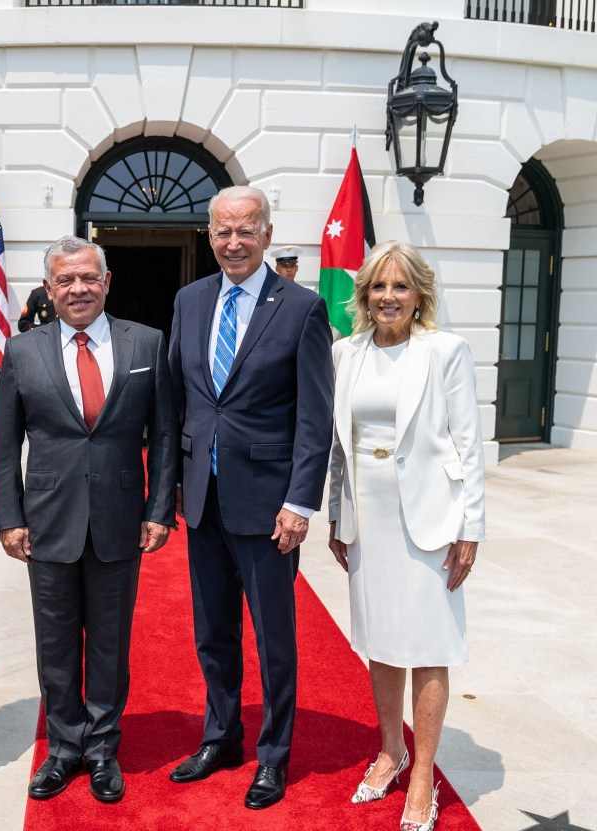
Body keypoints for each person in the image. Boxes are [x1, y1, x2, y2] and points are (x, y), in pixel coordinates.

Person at [0, 235, 177, 804]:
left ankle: (101, 749)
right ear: (49, 289)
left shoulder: (146, 341)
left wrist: (160, 509)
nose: (78, 289)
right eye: (65, 280)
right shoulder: (23, 351)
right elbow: (4, 443)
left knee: (109, 644)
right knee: (55, 643)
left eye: (88, 278)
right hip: (47, 520)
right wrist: (9, 516)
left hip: (121, 519)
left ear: (107, 281)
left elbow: (165, 433)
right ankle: (63, 748)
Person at [168, 186, 333, 810]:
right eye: (222, 231)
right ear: (209, 236)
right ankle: (222, 736)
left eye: (245, 230)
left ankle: (274, 756)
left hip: (268, 508)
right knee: (212, 632)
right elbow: (179, 400)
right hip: (203, 498)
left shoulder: (302, 308)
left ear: (266, 233)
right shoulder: (189, 300)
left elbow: (315, 420)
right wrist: (172, 489)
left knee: (273, 638)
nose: (233, 242)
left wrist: (301, 502)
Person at [328, 240, 484, 831]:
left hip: (430, 520)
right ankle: (390, 750)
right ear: (363, 295)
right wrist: (337, 516)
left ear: (420, 294)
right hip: (367, 517)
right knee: (382, 639)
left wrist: (470, 527)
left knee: (429, 645)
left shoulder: (445, 351)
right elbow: (339, 444)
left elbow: (469, 445)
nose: (387, 297)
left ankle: (423, 776)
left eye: (400, 286)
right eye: (377, 286)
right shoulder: (347, 353)